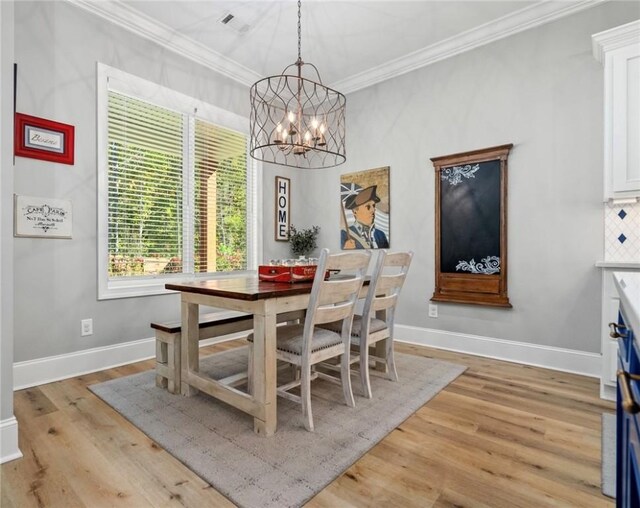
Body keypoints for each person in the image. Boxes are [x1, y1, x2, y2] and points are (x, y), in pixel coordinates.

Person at [341, 185, 389, 249]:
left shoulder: (380, 235)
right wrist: (346, 249)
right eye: (368, 207)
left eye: (373, 206)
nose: (373, 210)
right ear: (355, 211)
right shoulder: (344, 234)